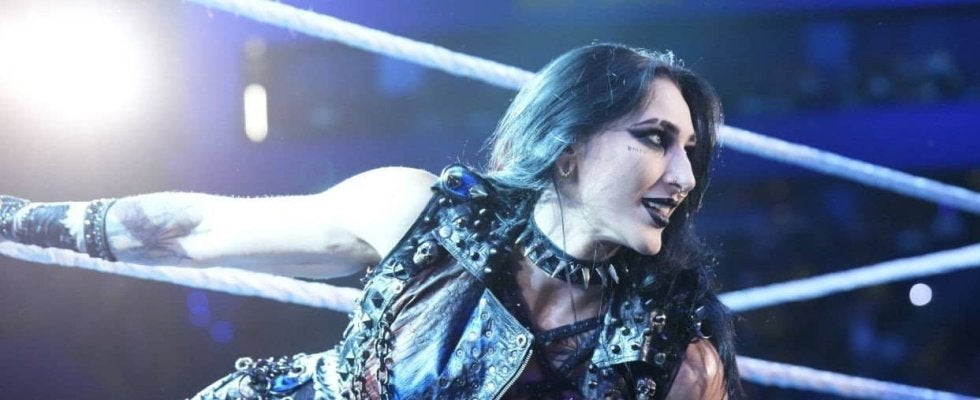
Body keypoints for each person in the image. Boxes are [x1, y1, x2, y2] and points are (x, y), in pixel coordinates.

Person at [0, 43, 739, 399]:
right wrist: (18, 219)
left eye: (691, 152)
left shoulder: (674, 352)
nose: (682, 178)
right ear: (568, 145)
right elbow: (192, 229)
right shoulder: (425, 214)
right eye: (655, 139)